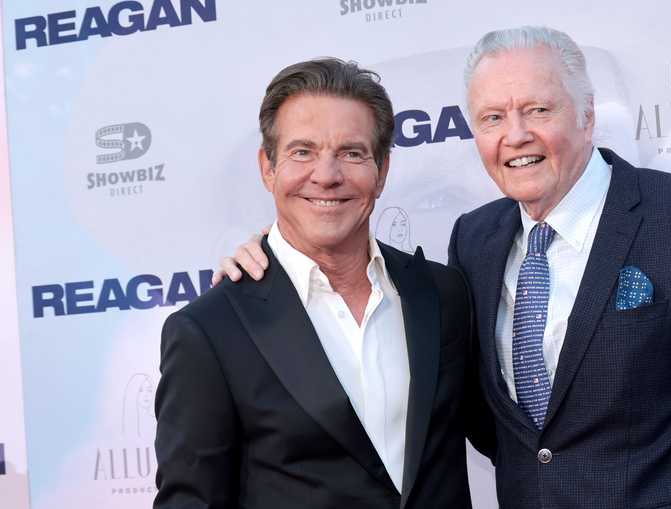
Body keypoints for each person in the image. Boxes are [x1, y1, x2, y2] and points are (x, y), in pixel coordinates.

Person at [218, 27, 671, 509]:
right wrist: (279, 261)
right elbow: (480, 415)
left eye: (537, 109)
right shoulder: (474, 241)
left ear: (586, 116)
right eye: (492, 118)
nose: (516, 135)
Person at [155, 58, 487, 509]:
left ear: (382, 170)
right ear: (267, 168)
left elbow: (506, 432)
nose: (327, 176)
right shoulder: (210, 332)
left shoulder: (444, 295)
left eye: (351, 153)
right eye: (302, 152)